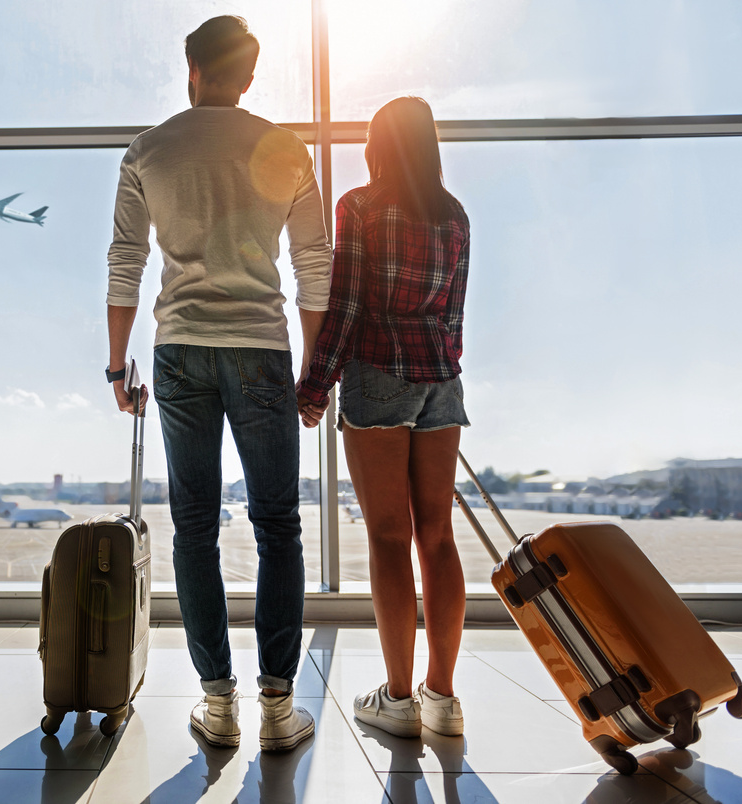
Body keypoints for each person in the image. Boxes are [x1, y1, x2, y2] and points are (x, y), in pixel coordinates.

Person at [106, 15, 331, 751]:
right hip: (261, 348)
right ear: (250, 76)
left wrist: (117, 364)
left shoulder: (149, 150)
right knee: (278, 526)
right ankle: (276, 707)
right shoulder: (287, 149)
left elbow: (125, 262)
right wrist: (312, 371)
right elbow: (314, 266)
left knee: (195, 528)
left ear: (191, 68)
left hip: (179, 352)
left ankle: (218, 703)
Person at [296, 96, 471, 738]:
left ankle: (397, 701)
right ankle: (443, 700)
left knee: (389, 538)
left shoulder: (362, 206)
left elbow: (344, 306)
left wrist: (315, 388)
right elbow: (454, 314)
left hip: (377, 376)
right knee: (439, 537)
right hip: (442, 382)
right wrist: (439, 378)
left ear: (378, 145)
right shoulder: (455, 216)